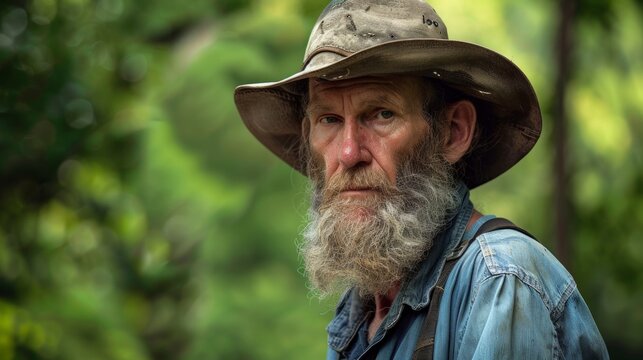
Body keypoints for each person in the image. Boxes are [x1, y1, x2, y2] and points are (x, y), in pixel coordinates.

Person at [234, 0, 609, 358]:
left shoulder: (499, 280)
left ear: (452, 131)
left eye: (381, 114)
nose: (348, 154)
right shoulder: (363, 308)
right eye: (329, 120)